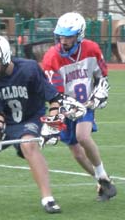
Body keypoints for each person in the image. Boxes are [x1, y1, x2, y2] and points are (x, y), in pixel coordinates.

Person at [0, 35, 72, 214]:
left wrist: (53, 125)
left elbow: (54, 98)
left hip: (29, 117)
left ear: (4, 58)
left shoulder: (29, 69)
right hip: (4, 117)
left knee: (28, 145)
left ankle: (47, 198)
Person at [42, 12, 117, 201]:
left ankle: (101, 174)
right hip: (65, 106)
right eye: (61, 35)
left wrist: (100, 94)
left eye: (68, 36)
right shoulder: (52, 57)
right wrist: (55, 120)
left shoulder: (91, 49)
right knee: (76, 153)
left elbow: (102, 77)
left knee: (82, 136)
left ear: (79, 35)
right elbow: (54, 93)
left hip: (86, 103)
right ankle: (102, 180)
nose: (64, 40)